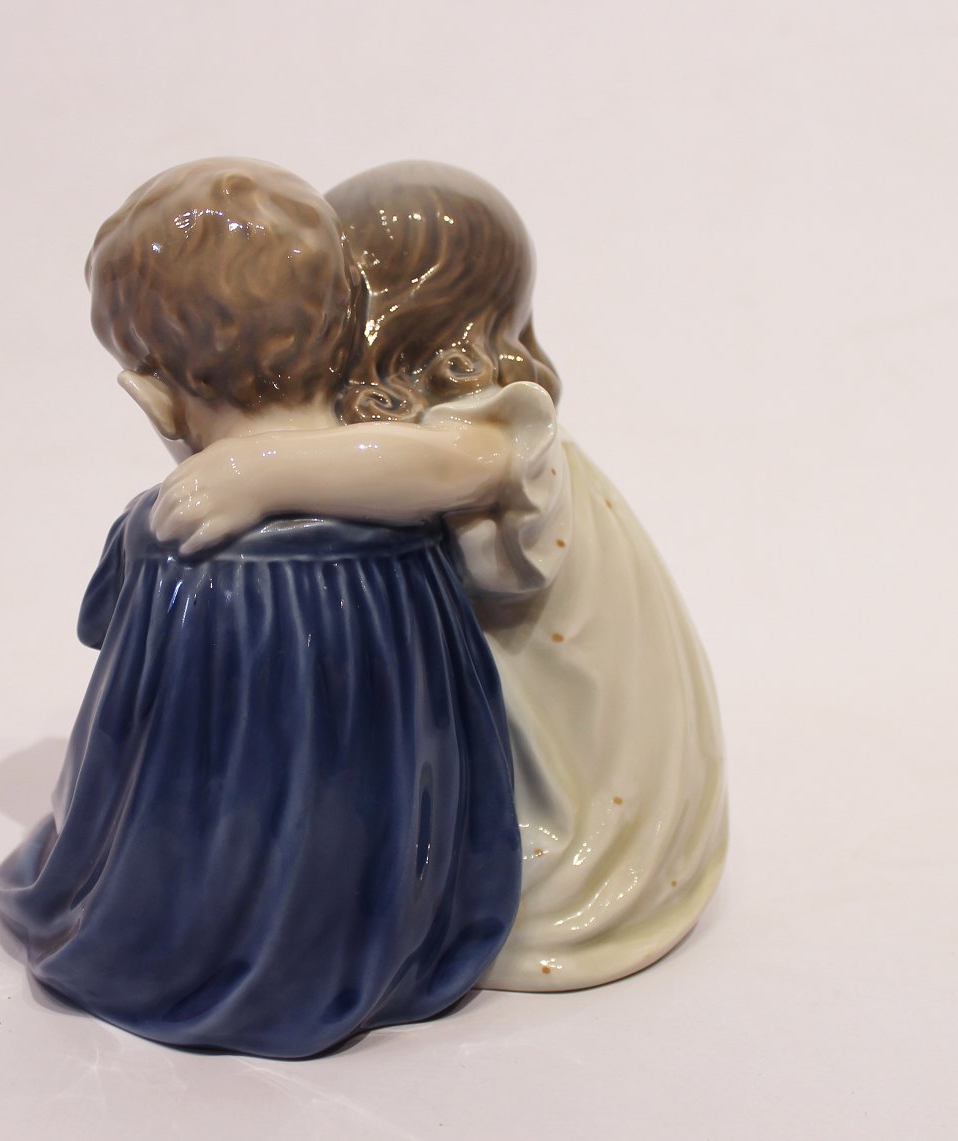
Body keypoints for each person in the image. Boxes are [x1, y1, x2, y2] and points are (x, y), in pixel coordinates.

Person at [0, 158, 521, 1058]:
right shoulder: (415, 522)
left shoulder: (170, 539)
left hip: (188, 928)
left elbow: (118, 724)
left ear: (151, 392)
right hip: (415, 918)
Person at [152, 161, 727, 991]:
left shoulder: (494, 432)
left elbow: (441, 466)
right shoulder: (394, 444)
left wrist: (261, 470)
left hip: (593, 800)